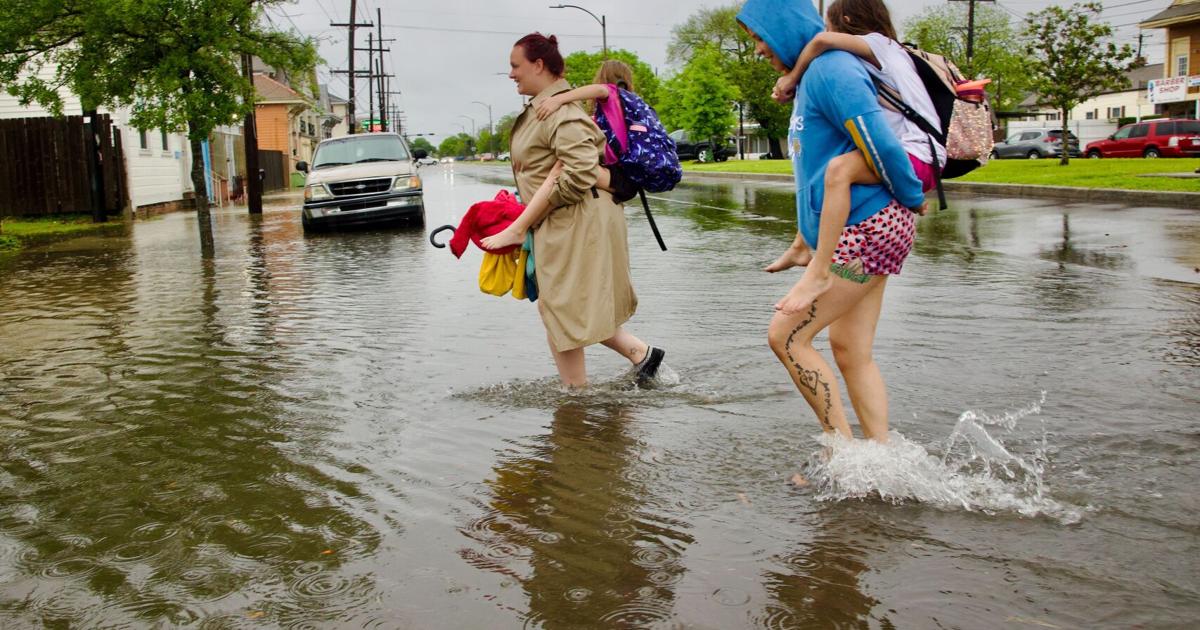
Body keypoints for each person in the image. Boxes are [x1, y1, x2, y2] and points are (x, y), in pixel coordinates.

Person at [738, 0, 927, 443]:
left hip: (867, 226)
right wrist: (802, 240)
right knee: (850, 350)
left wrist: (912, 195)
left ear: (785, 28)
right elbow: (816, 169)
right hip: (864, 227)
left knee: (786, 337)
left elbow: (879, 142)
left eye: (761, 38)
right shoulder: (811, 76)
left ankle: (840, 453)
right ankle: (880, 456)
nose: (759, 49)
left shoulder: (831, 70)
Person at [502, 32, 664, 387]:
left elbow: (578, 172)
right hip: (563, 221)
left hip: (574, 221)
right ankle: (637, 357)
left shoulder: (560, 111)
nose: (511, 74)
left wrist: (533, 214)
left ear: (538, 65)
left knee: (562, 308)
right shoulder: (545, 108)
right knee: (565, 307)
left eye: (515, 66)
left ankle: (575, 397)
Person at [767, 0, 941, 315]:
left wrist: (792, 77)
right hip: (921, 153)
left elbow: (820, 41)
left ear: (846, 20)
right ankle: (801, 246)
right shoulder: (886, 56)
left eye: (831, 24)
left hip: (917, 154)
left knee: (838, 170)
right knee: (830, 168)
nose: (827, 32)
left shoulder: (879, 45)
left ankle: (819, 271)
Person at [481, 59, 641, 252]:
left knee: (560, 170)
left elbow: (597, 91)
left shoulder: (611, 94)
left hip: (614, 174)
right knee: (566, 170)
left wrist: (559, 99)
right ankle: (523, 225)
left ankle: (520, 227)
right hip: (625, 175)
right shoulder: (632, 106)